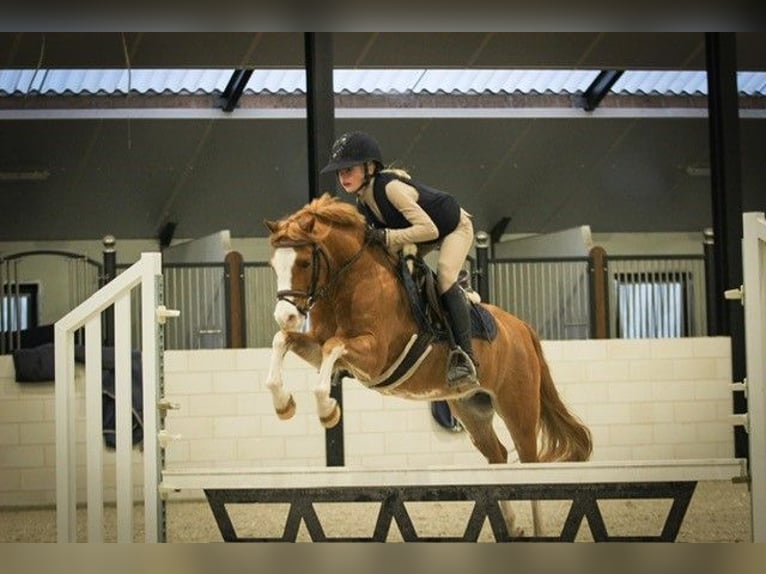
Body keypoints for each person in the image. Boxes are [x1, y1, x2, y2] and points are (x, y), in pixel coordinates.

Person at [321, 131, 479, 390]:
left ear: (370, 167)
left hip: (452, 228)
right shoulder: (363, 203)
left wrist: (385, 235)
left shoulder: (390, 188)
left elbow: (430, 230)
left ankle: (465, 357)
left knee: (445, 276)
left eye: (349, 169)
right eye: (340, 172)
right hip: (419, 233)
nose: (343, 176)